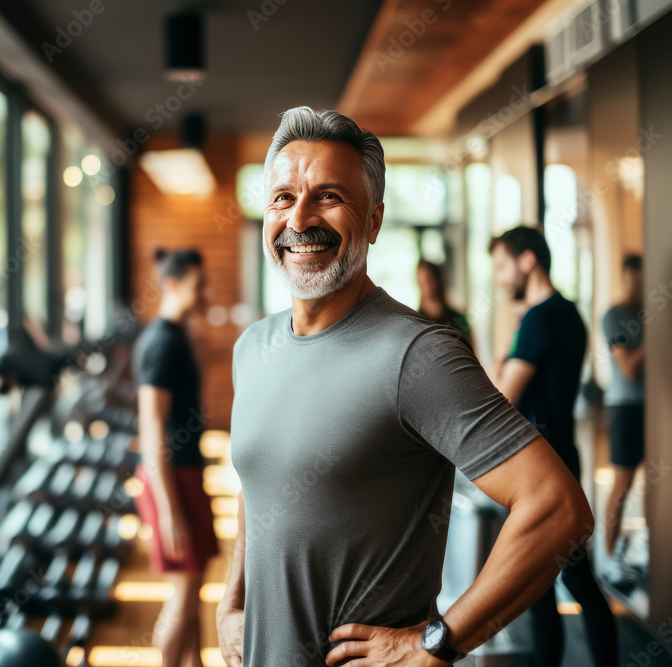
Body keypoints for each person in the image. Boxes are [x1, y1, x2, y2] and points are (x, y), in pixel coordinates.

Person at [217, 107, 594, 667]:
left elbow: (558, 509)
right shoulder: (252, 348)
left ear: (372, 220)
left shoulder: (418, 353)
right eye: (282, 197)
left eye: (329, 196)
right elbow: (259, 488)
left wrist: (437, 643)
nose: (300, 218)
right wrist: (231, 603)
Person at [487, 226, 618, 666]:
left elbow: (503, 393)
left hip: (539, 471)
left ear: (529, 261)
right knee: (551, 584)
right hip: (557, 459)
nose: (501, 279)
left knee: (559, 584)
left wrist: (503, 347)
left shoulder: (540, 318)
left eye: (504, 266)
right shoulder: (567, 314)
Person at [132, 248, 218, 667]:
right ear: (172, 285)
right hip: (170, 480)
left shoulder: (175, 335)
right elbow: (151, 429)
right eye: (197, 285)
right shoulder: (162, 343)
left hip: (185, 473)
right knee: (182, 597)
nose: (205, 292)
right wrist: (168, 510)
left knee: (193, 589)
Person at [601, 254, 645, 588]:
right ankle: (610, 558)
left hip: (654, 407)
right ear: (626, 277)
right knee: (622, 485)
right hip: (625, 408)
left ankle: (642, 553)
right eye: (635, 278)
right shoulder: (614, 316)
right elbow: (627, 367)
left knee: (656, 486)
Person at [417, 259, 471, 340]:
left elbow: (471, 350)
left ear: (437, 280)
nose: (424, 287)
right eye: (420, 282)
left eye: (428, 280)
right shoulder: (416, 322)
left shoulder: (459, 319)